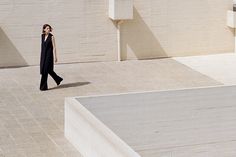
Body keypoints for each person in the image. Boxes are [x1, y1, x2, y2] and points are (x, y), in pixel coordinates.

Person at [40, 24, 63, 91]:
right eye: (47, 28)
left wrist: (55, 57)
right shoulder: (42, 36)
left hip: (49, 56)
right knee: (49, 70)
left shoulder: (51, 37)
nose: (48, 29)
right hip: (43, 56)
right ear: (44, 29)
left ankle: (43, 87)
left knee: (45, 71)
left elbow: (54, 47)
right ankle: (58, 79)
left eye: (49, 28)